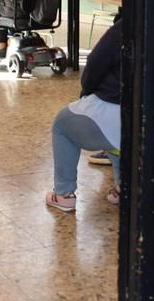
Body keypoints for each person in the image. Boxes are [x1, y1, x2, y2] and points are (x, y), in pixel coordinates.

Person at [45, 18, 123, 213]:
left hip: (113, 110)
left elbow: (94, 65)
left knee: (62, 124)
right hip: (148, 117)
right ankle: (126, 187)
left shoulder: (123, 29)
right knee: (118, 133)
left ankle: (64, 194)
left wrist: (86, 95)